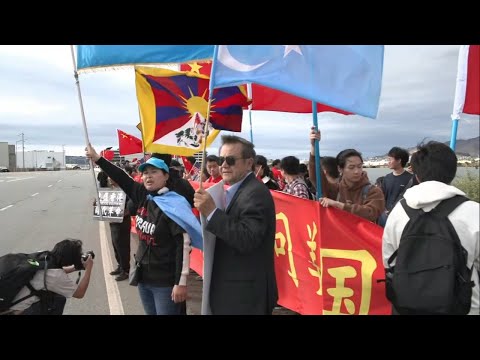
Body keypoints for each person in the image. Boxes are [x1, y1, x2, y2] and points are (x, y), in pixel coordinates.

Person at [86, 145, 199, 315]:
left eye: (154, 171)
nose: (148, 176)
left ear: (166, 175)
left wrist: (180, 282)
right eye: (145, 172)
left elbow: (182, 246)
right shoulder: (142, 195)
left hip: (165, 282)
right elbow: (121, 177)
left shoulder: (175, 205)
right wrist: (97, 158)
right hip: (143, 277)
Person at [382, 141, 479, 315]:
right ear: (453, 172)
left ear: (417, 175)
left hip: (407, 305)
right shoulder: (473, 211)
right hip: (464, 305)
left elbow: (389, 261)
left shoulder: (399, 211)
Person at [194, 135, 278, 315]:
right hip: (233, 293)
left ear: (249, 163)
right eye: (220, 159)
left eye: (230, 160)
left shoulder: (255, 193)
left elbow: (247, 239)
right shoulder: (238, 190)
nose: (223, 165)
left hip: (245, 297)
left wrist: (212, 212)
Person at [308, 128, 385, 222]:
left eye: (360, 166)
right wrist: (313, 146)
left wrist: (339, 205)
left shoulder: (373, 191)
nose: (357, 171)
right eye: (351, 167)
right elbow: (316, 178)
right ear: (340, 169)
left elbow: (371, 213)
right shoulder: (336, 189)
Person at [6, 238, 93, 315]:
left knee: (51, 294)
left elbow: (48, 273)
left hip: (6, 301)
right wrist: (89, 268)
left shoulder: (42, 255)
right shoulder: (56, 276)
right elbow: (79, 293)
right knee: (58, 300)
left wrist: (75, 268)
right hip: (11, 311)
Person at [378, 147, 414, 227]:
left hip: (402, 219)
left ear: (399, 160)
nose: (388, 162)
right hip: (385, 217)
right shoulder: (387, 178)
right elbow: (381, 197)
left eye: (390, 159)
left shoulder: (410, 179)